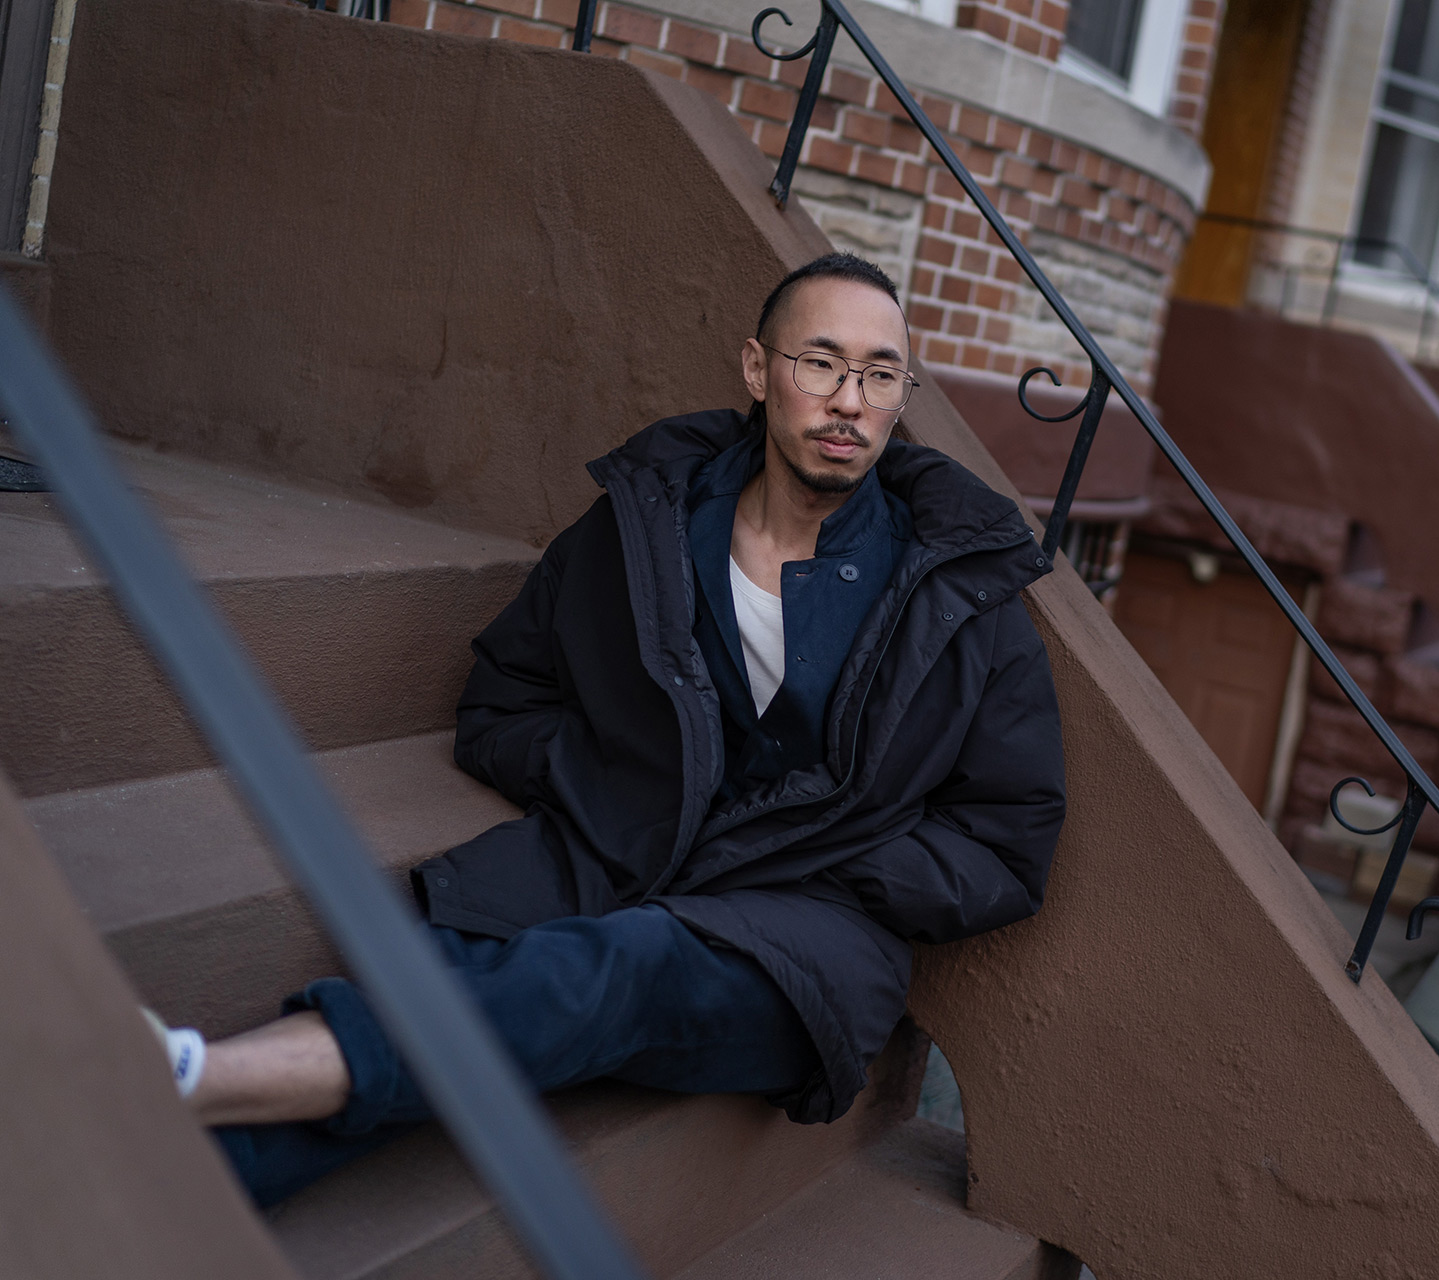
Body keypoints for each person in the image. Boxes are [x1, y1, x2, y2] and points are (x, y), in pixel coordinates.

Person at [158, 253, 1067, 1207]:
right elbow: (504, 700)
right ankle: (173, 1186)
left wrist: (836, 860)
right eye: (821, 363)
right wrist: (614, 787)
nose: (849, 400)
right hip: (612, 862)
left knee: (621, 966)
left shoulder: (958, 595)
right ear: (758, 371)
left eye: (881, 375)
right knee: (459, 965)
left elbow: (1006, 846)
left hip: (804, 947)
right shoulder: (648, 531)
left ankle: (202, 1077)